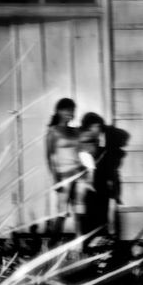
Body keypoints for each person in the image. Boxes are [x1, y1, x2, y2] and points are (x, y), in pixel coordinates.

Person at [45, 98, 94, 236]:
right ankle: (53, 245)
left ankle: (79, 245)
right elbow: (50, 157)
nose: (71, 113)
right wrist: (55, 179)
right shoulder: (53, 131)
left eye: (72, 110)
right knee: (62, 212)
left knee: (79, 211)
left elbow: (84, 150)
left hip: (79, 173)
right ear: (59, 111)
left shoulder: (76, 131)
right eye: (67, 110)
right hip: (63, 175)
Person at [79, 112, 129, 241]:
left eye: (99, 127)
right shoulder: (85, 142)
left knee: (101, 213)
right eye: (95, 127)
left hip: (101, 183)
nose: (98, 129)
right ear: (88, 127)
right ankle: (91, 242)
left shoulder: (100, 143)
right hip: (90, 183)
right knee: (91, 213)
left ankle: (99, 241)